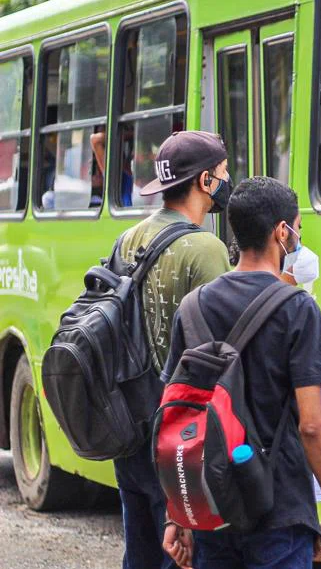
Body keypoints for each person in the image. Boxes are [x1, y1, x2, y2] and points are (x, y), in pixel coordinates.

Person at [161, 176, 321, 568]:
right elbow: (312, 426)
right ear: (282, 232)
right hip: (279, 513)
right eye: (298, 229)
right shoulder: (298, 310)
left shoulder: (193, 307)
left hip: (214, 507)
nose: (298, 240)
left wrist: (177, 514)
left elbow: (175, 416)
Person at [113, 130, 234, 569]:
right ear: (204, 182)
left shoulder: (128, 239)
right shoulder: (206, 249)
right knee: (185, 554)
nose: (226, 180)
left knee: (141, 556)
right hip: (181, 436)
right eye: (222, 172)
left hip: (129, 428)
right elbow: (221, 350)